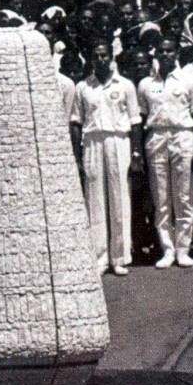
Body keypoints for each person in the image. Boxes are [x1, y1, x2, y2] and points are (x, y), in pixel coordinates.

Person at [70, 39, 143, 276]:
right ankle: (99, 257)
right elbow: (76, 123)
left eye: (104, 55)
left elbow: (135, 122)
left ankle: (120, 257)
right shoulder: (83, 87)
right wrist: (78, 157)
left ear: (111, 57)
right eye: (96, 56)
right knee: (95, 198)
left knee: (119, 195)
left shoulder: (125, 85)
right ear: (90, 59)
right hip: (92, 141)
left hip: (118, 140)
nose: (100, 59)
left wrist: (136, 152)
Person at [138, 37, 193, 268]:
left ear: (176, 53)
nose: (165, 54)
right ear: (155, 54)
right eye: (161, 51)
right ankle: (167, 249)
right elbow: (143, 116)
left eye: (169, 50)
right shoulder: (147, 83)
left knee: (184, 196)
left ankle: (183, 249)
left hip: (182, 135)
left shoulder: (190, 80)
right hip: (156, 137)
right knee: (161, 197)